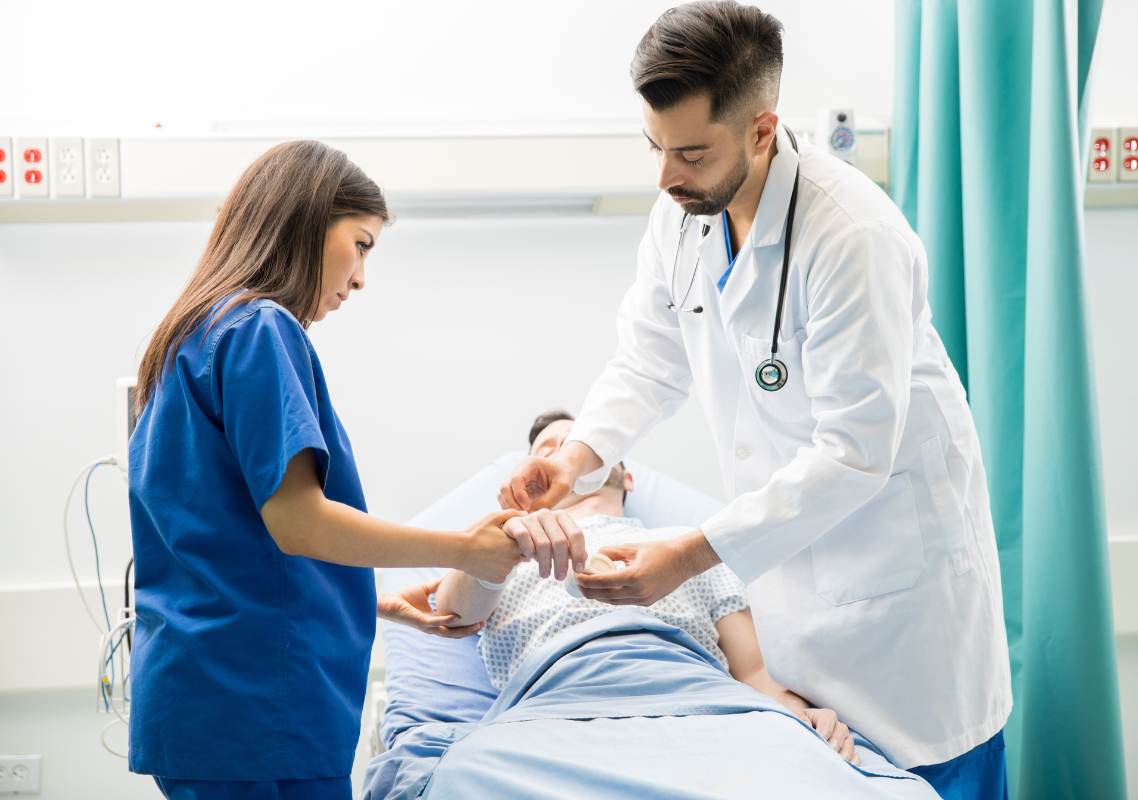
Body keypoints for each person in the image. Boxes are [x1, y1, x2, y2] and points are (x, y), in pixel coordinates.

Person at [499, 3, 1011, 796]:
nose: (665, 177)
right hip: (791, 604)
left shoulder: (853, 237)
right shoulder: (684, 216)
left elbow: (854, 454)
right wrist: (577, 457)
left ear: (762, 131)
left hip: (901, 615)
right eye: (656, 148)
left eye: (691, 153)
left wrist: (688, 555)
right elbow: (648, 358)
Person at [127, 140, 524, 800]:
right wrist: (466, 549)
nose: (361, 278)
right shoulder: (261, 329)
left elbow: (224, 541)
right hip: (261, 708)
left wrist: (371, 602)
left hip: (209, 694)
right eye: (360, 244)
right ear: (308, 220)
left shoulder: (189, 337)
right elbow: (298, 521)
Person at [441, 409, 860, 765]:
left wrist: (797, 712)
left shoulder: (691, 546)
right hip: (555, 704)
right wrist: (507, 537)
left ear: (627, 477)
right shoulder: (504, 549)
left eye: (579, 447)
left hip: (696, 701)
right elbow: (455, 615)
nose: (563, 457)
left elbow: (752, 669)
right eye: (547, 451)